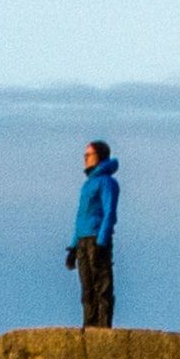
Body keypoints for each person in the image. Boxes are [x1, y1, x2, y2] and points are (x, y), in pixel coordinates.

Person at [65, 141, 120, 329]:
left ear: (100, 157)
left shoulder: (107, 182)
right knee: (87, 287)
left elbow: (109, 212)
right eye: (85, 154)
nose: (85, 158)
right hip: (83, 240)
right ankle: (89, 326)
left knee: (102, 285)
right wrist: (73, 247)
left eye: (89, 154)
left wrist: (102, 242)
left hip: (97, 239)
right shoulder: (87, 185)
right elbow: (81, 217)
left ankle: (103, 328)